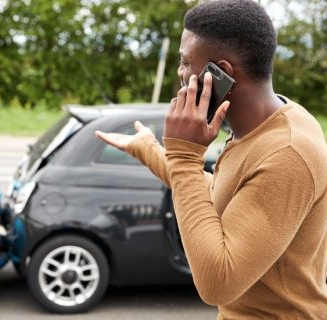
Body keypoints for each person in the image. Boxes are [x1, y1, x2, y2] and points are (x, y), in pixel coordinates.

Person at [95, 0, 327, 318]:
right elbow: (224, 192)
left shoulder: (287, 154)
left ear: (221, 73)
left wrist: (185, 156)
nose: (180, 73)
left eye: (186, 62)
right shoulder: (262, 127)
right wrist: (149, 149)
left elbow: (218, 283)